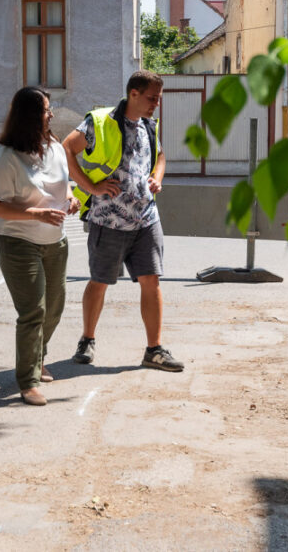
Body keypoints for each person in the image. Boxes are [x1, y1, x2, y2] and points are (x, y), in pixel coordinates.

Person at [62, 70, 184, 372]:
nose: (156, 103)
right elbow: (65, 148)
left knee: (151, 280)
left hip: (145, 218)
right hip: (109, 220)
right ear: (134, 94)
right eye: (152, 98)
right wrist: (90, 187)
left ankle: (154, 350)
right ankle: (87, 340)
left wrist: (156, 177)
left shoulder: (149, 125)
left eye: (158, 98)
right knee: (100, 281)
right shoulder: (100, 121)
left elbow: (160, 156)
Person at [0, 87, 79, 406]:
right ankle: (28, 381)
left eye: (50, 109)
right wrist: (34, 212)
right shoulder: (7, 157)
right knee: (33, 310)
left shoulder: (52, 145)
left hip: (55, 240)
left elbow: (62, 185)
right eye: (45, 110)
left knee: (54, 306)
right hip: (17, 240)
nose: (50, 115)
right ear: (28, 116)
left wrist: (71, 199)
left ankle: (38, 358)